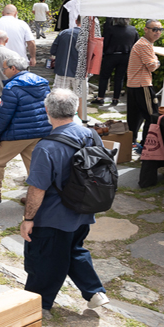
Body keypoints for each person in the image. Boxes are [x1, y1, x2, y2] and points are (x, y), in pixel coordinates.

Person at [21, 88, 109, 314]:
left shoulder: (46, 147)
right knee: (73, 249)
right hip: (84, 209)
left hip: (54, 217)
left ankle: (37, 307)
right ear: (76, 108)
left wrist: (28, 218)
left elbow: (37, 189)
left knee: (46, 262)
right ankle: (94, 292)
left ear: (47, 110)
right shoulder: (91, 135)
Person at [0, 57, 52, 204]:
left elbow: (5, 115)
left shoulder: (12, 87)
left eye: (4, 68)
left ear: (14, 68)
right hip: (40, 129)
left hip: (18, 132)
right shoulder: (42, 82)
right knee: (33, 165)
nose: (3, 72)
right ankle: (37, 197)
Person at [126, 20, 163, 150]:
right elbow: (152, 66)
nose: (158, 32)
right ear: (146, 29)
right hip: (142, 84)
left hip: (134, 84)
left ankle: (131, 142)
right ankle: (146, 145)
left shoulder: (143, 43)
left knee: (135, 117)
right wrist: (157, 61)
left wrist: (154, 60)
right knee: (152, 115)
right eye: (154, 29)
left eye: (160, 29)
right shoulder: (144, 45)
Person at [92, 18, 139, 106]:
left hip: (111, 55)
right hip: (126, 56)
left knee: (104, 77)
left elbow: (105, 43)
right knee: (119, 78)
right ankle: (115, 99)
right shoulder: (132, 29)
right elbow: (136, 43)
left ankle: (100, 98)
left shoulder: (111, 29)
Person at [49, 16, 87, 116]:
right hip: (81, 71)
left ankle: (58, 116)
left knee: (58, 95)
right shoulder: (88, 36)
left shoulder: (64, 33)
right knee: (81, 95)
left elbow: (53, 51)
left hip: (63, 69)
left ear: (76, 21)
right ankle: (82, 117)